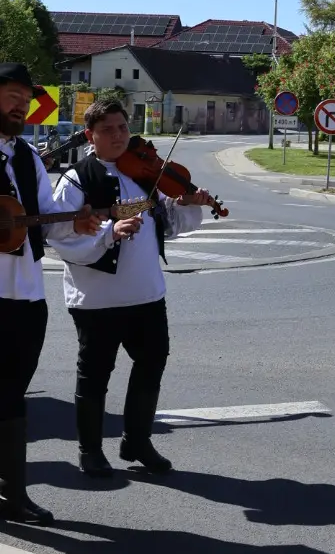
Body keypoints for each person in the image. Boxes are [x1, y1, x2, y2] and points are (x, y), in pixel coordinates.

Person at [48, 100, 211, 477]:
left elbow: (168, 224)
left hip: (147, 294)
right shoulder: (76, 179)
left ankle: (137, 441)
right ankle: (90, 451)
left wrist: (188, 202)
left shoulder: (142, 173)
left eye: (122, 127)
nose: (118, 135)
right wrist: (109, 232)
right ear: (90, 136)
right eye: (108, 129)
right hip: (97, 300)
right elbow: (58, 234)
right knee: (95, 376)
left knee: (151, 364)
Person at [0, 62, 101, 522]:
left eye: (25, 99)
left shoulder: (27, 156)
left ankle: (12, 492)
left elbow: (48, 220)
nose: (20, 106)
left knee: (12, 396)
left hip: (26, 297)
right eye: (12, 96)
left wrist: (78, 224)